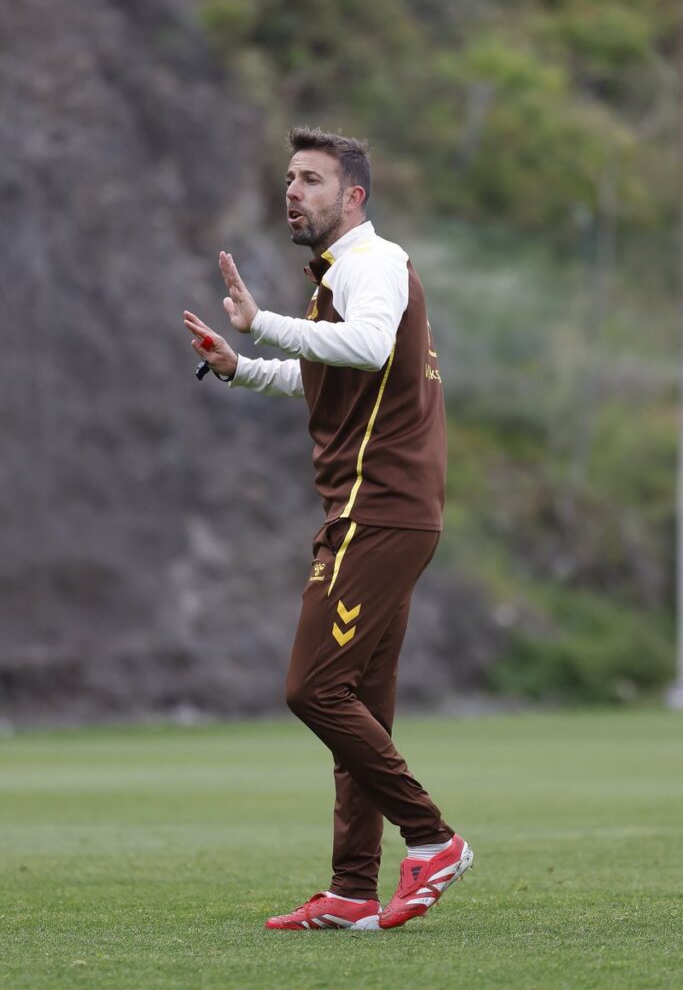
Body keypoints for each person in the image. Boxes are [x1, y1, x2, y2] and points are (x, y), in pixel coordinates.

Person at [183, 127, 473, 931]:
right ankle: (352, 889)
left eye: (310, 179)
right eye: (288, 178)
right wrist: (243, 366)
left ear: (353, 197)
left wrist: (263, 323)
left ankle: (433, 840)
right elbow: (333, 368)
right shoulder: (345, 275)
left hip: (375, 512)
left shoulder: (372, 265)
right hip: (388, 512)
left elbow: (369, 345)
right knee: (359, 708)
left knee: (311, 689)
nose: (292, 191)